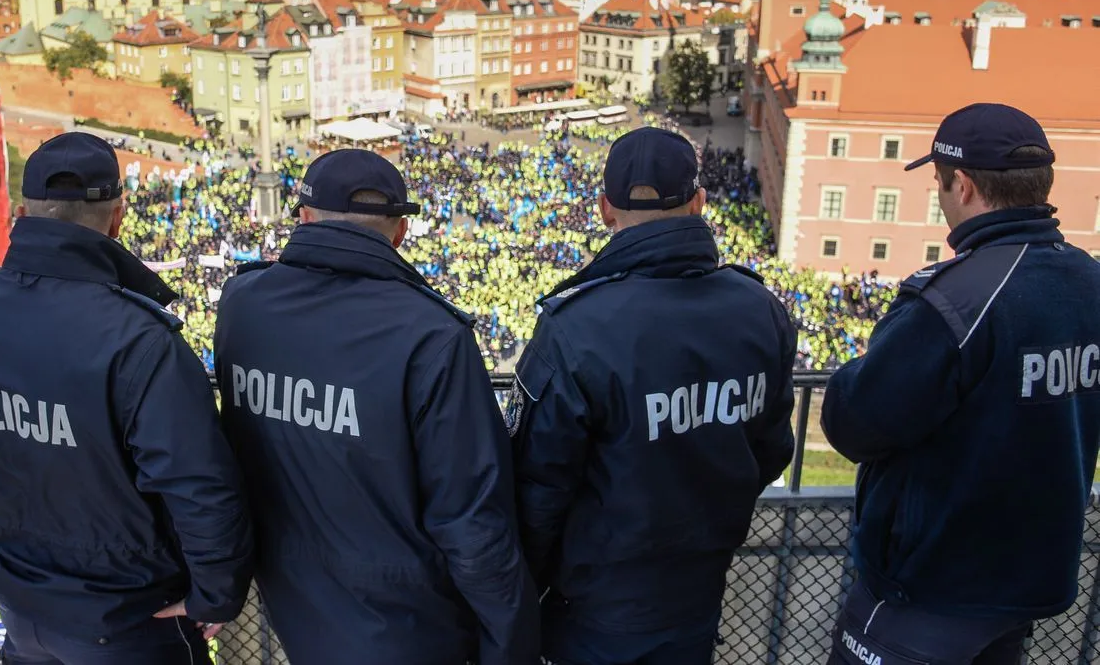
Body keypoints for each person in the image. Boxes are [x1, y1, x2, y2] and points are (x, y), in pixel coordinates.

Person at [0, 132, 254, 665]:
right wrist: (216, 593)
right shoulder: (140, 340)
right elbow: (199, 488)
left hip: (22, 603)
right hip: (131, 616)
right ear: (118, 216)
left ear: (21, 212)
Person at [214, 148, 539, 665]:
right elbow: (472, 521)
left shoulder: (241, 303)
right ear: (400, 233)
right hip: (409, 626)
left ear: (302, 218)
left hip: (294, 609)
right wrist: (512, 644)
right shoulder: (432, 333)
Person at [822, 103, 1100, 665]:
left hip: (929, 590)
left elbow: (854, 423)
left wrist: (863, 364)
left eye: (940, 185)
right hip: (1024, 583)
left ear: (965, 186)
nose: (942, 198)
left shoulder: (957, 297)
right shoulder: (1091, 281)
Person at [511, 127, 796, 665]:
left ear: (603, 209)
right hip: (699, 584)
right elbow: (772, 449)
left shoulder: (578, 326)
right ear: (699, 203)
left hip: (596, 606)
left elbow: (537, 489)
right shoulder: (760, 309)